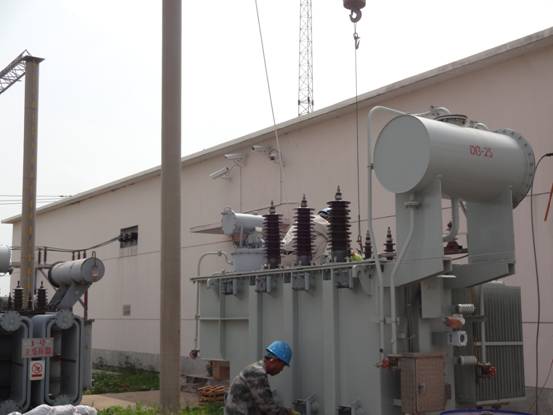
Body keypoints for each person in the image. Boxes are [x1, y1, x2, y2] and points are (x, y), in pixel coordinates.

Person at [225, 340, 294, 415]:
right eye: (282, 365)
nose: (281, 369)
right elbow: (268, 408)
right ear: (273, 360)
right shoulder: (256, 373)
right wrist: (289, 413)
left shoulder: (257, 370)